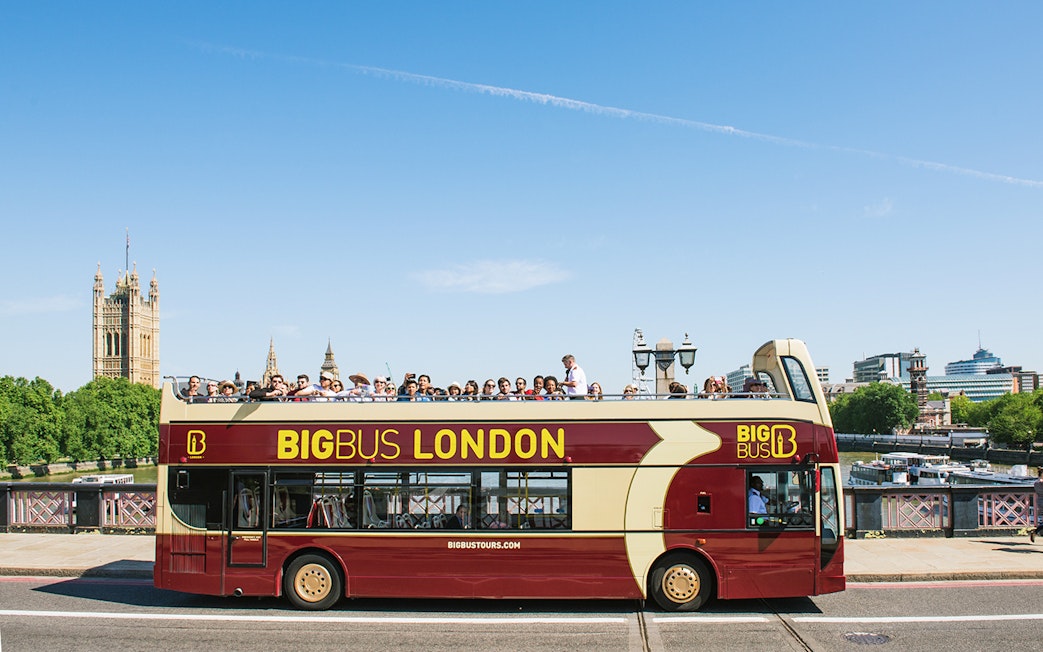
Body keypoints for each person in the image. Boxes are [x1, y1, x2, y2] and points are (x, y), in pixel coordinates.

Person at [1032, 469, 1043, 543]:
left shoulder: (1036, 482)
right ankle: (1036, 531)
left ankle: (1036, 531)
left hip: (1040, 501)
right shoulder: (1040, 482)